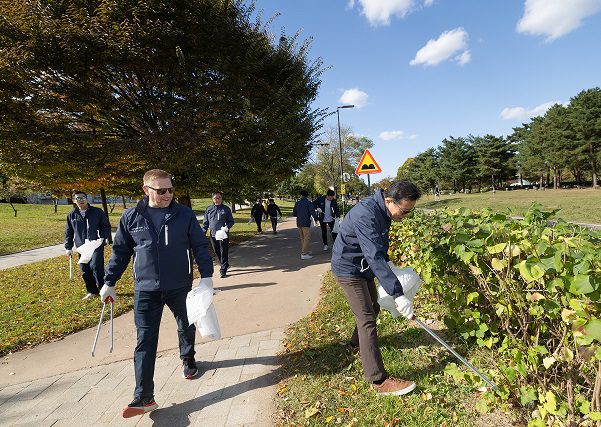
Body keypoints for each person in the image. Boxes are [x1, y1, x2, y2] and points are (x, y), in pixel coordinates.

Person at [100, 169, 214, 418]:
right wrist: (109, 282)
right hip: (145, 290)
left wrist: (206, 277)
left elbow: (199, 245)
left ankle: (188, 360)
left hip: (179, 285)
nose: (167, 195)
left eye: (170, 190)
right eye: (161, 191)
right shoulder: (131, 217)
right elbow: (120, 252)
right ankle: (144, 397)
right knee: (145, 340)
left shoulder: (183, 214)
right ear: (146, 190)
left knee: (186, 325)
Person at [331, 180, 421, 396]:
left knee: (373, 306)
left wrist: (389, 265)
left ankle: (356, 345)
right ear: (389, 200)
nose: (405, 216)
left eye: (410, 212)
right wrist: (398, 294)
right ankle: (378, 380)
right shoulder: (366, 214)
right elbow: (373, 255)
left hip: (364, 267)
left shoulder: (385, 210)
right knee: (367, 319)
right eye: (404, 211)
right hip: (348, 268)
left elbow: (378, 247)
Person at [64, 191, 111, 300]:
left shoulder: (97, 212)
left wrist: (103, 237)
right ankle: (92, 291)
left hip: (95, 244)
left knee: (96, 266)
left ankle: (103, 290)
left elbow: (106, 226)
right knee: (85, 268)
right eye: (78, 198)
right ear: (74, 200)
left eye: (83, 197)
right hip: (82, 246)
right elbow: (69, 232)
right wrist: (68, 247)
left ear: (87, 198)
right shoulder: (71, 215)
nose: (81, 200)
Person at [202, 191, 235, 278]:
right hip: (213, 234)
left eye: (219, 198)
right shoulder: (208, 209)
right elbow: (205, 223)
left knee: (224, 251)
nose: (217, 200)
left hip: (223, 234)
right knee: (216, 250)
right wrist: (202, 233)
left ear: (221, 198)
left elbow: (231, 221)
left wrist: (226, 227)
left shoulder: (226, 209)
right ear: (212, 199)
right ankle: (225, 264)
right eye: (215, 198)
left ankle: (223, 270)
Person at [292, 190, 317, 260]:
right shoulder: (309, 203)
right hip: (306, 222)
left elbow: (294, 213)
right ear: (307, 196)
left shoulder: (297, 203)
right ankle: (304, 253)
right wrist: (316, 219)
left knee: (302, 238)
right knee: (307, 237)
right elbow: (312, 212)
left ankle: (305, 251)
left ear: (301, 195)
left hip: (299, 222)